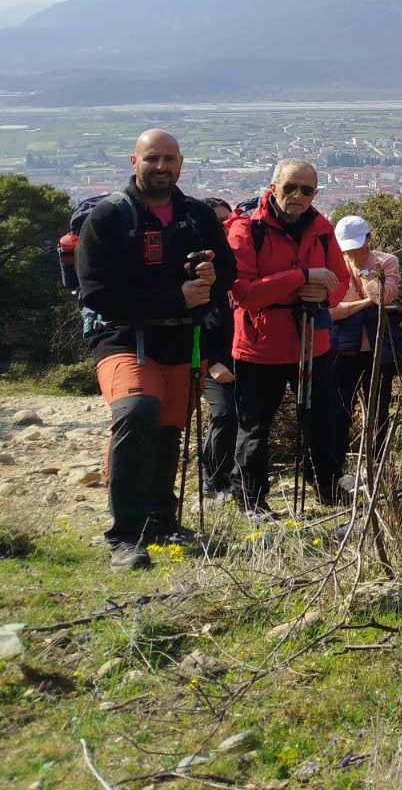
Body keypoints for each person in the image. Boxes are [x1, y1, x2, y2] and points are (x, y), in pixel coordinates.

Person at [75, 129, 236, 569]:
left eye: (169, 159)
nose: (161, 167)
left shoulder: (197, 215)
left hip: (181, 338)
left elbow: (229, 272)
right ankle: (124, 536)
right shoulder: (109, 217)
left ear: (180, 164)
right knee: (136, 412)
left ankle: (161, 521)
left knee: (168, 429)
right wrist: (176, 297)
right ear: (135, 161)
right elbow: (97, 294)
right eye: (152, 159)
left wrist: (210, 275)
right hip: (123, 337)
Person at [227, 159, 350, 518]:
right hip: (259, 345)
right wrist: (302, 278)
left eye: (307, 190)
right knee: (255, 426)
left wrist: (323, 295)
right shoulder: (246, 229)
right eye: (290, 188)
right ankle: (251, 499)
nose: (298, 196)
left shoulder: (321, 228)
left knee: (322, 420)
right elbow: (244, 292)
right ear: (273, 187)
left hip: (313, 342)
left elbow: (338, 280)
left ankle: (327, 486)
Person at [328, 214, 402, 494]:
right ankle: (335, 471)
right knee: (339, 410)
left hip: (378, 349)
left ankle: (375, 471)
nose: (351, 252)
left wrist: (365, 273)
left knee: (378, 412)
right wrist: (364, 304)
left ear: (368, 239)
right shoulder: (332, 264)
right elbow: (332, 311)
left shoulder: (386, 262)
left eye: (357, 246)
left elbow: (383, 297)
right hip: (341, 349)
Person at [199, 196, 240, 505]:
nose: (224, 225)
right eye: (216, 221)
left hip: (245, 355)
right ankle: (214, 480)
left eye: (228, 219)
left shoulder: (237, 261)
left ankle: (229, 477)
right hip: (211, 359)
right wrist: (211, 362)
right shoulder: (195, 269)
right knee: (224, 415)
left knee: (238, 418)